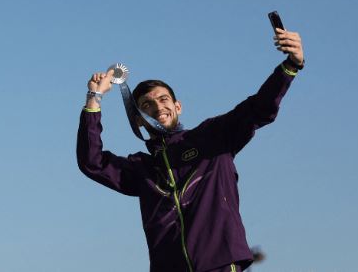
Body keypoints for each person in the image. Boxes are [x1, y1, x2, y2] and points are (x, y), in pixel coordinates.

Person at [76, 27, 304, 272]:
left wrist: (291, 65)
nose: (157, 107)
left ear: (178, 106)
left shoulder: (213, 136)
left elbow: (259, 107)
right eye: (146, 105)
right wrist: (94, 98)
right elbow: (92, 161)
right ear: (138, 120)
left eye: (163, 99)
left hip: (220, 266)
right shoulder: (142, 169)